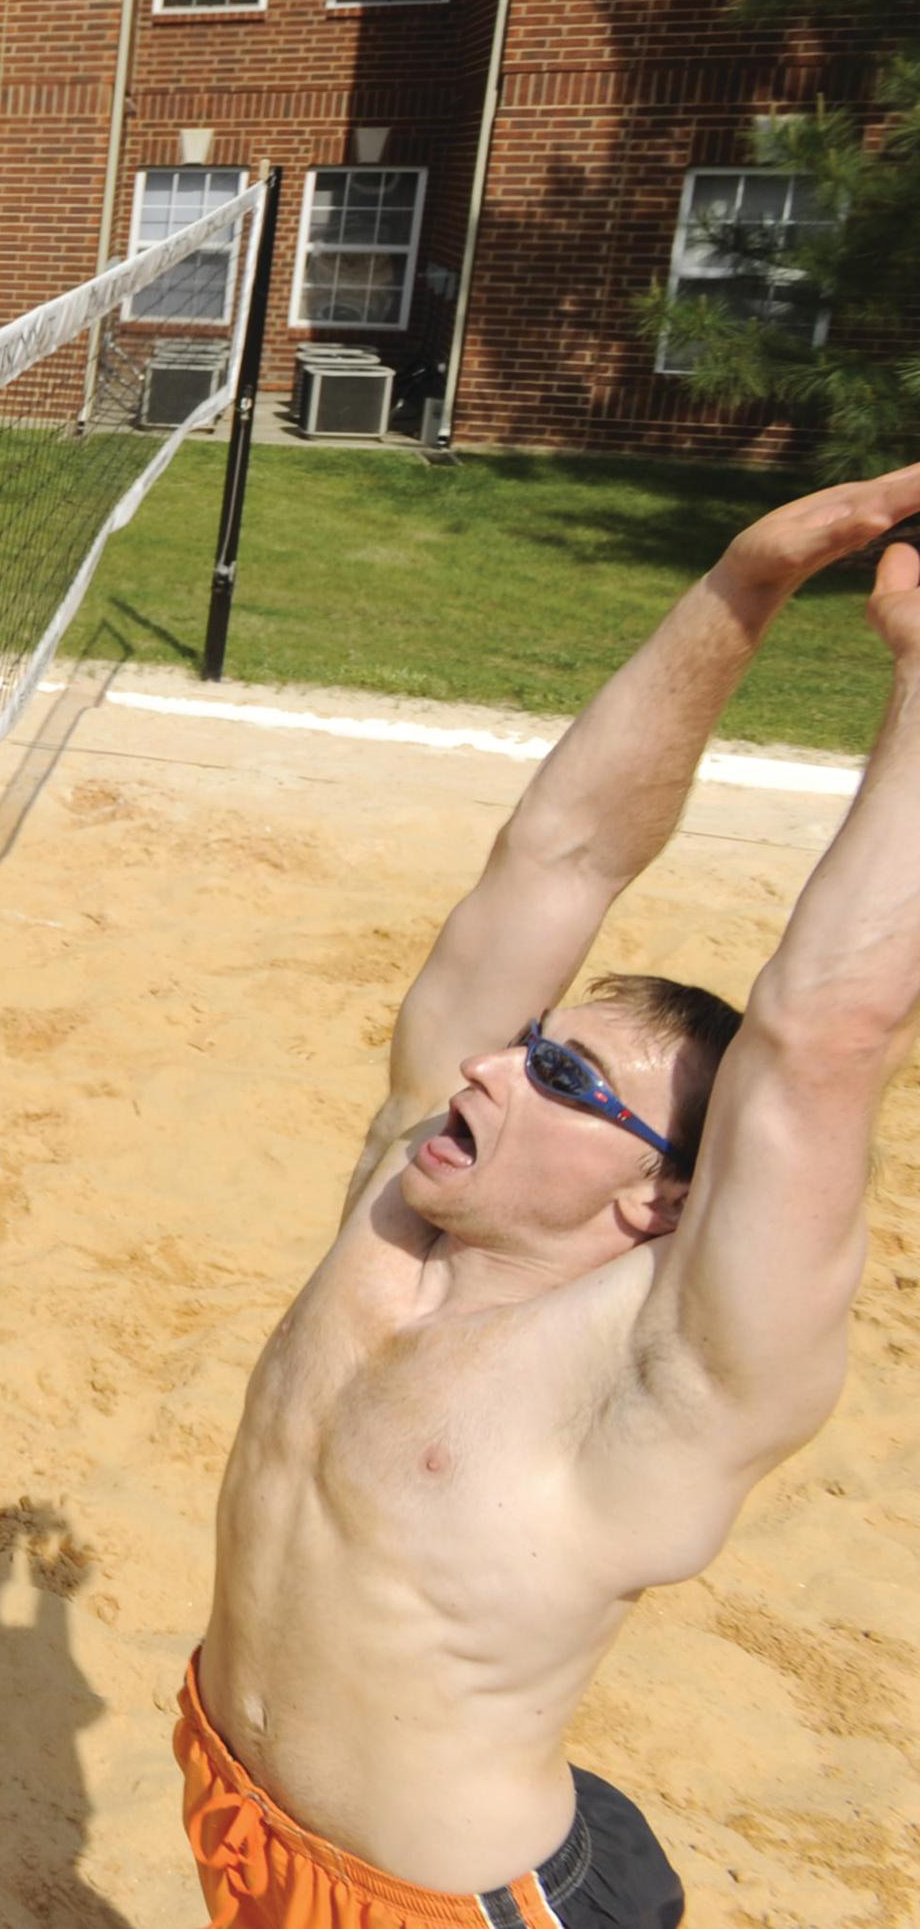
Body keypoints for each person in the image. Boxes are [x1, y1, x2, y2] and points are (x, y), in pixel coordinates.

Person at [187, 463, 920, 1929]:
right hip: (237, 1809)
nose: (494, 1065)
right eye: (533, 1044)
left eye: (569, 1082)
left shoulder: (672, 1376)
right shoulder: (401, 1199)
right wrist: (742, 584)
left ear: (663, 1203)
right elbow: (561, 854)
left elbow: (826, 1030)